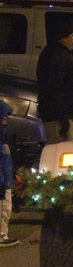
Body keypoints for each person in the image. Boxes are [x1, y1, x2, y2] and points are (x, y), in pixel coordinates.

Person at [36, 23, 73, 143]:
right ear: (63, 39)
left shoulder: (57, 53)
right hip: (58, 115)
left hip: (60, 113)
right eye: (70, 36)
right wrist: (63, 117)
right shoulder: (58, 56)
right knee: (58, 148)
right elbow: (55, 87)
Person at [0, 101, 17, 247]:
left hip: (5, 179)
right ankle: (1, 236)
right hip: (2, 182)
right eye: (4, 116)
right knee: (4, 209)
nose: (6, 118)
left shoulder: (4, 135)